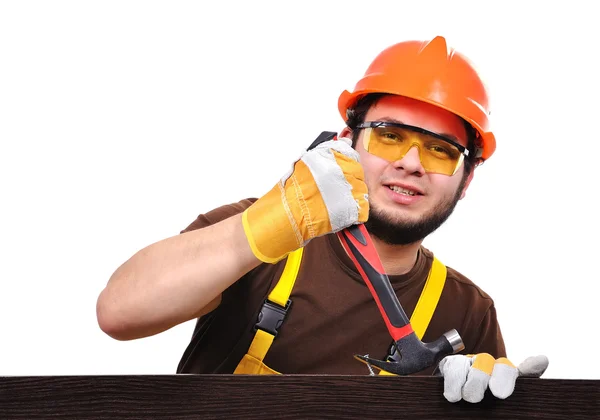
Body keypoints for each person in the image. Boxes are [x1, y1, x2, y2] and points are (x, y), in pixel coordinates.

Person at [96, 35, 548, 403]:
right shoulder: (256, 232)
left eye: (440, 151)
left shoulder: (467, 311)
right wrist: (264, 228)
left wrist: (489, 409)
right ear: (346, 143)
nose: (411, 162)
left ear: (465, 181)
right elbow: (118, 313)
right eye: (390, 136)